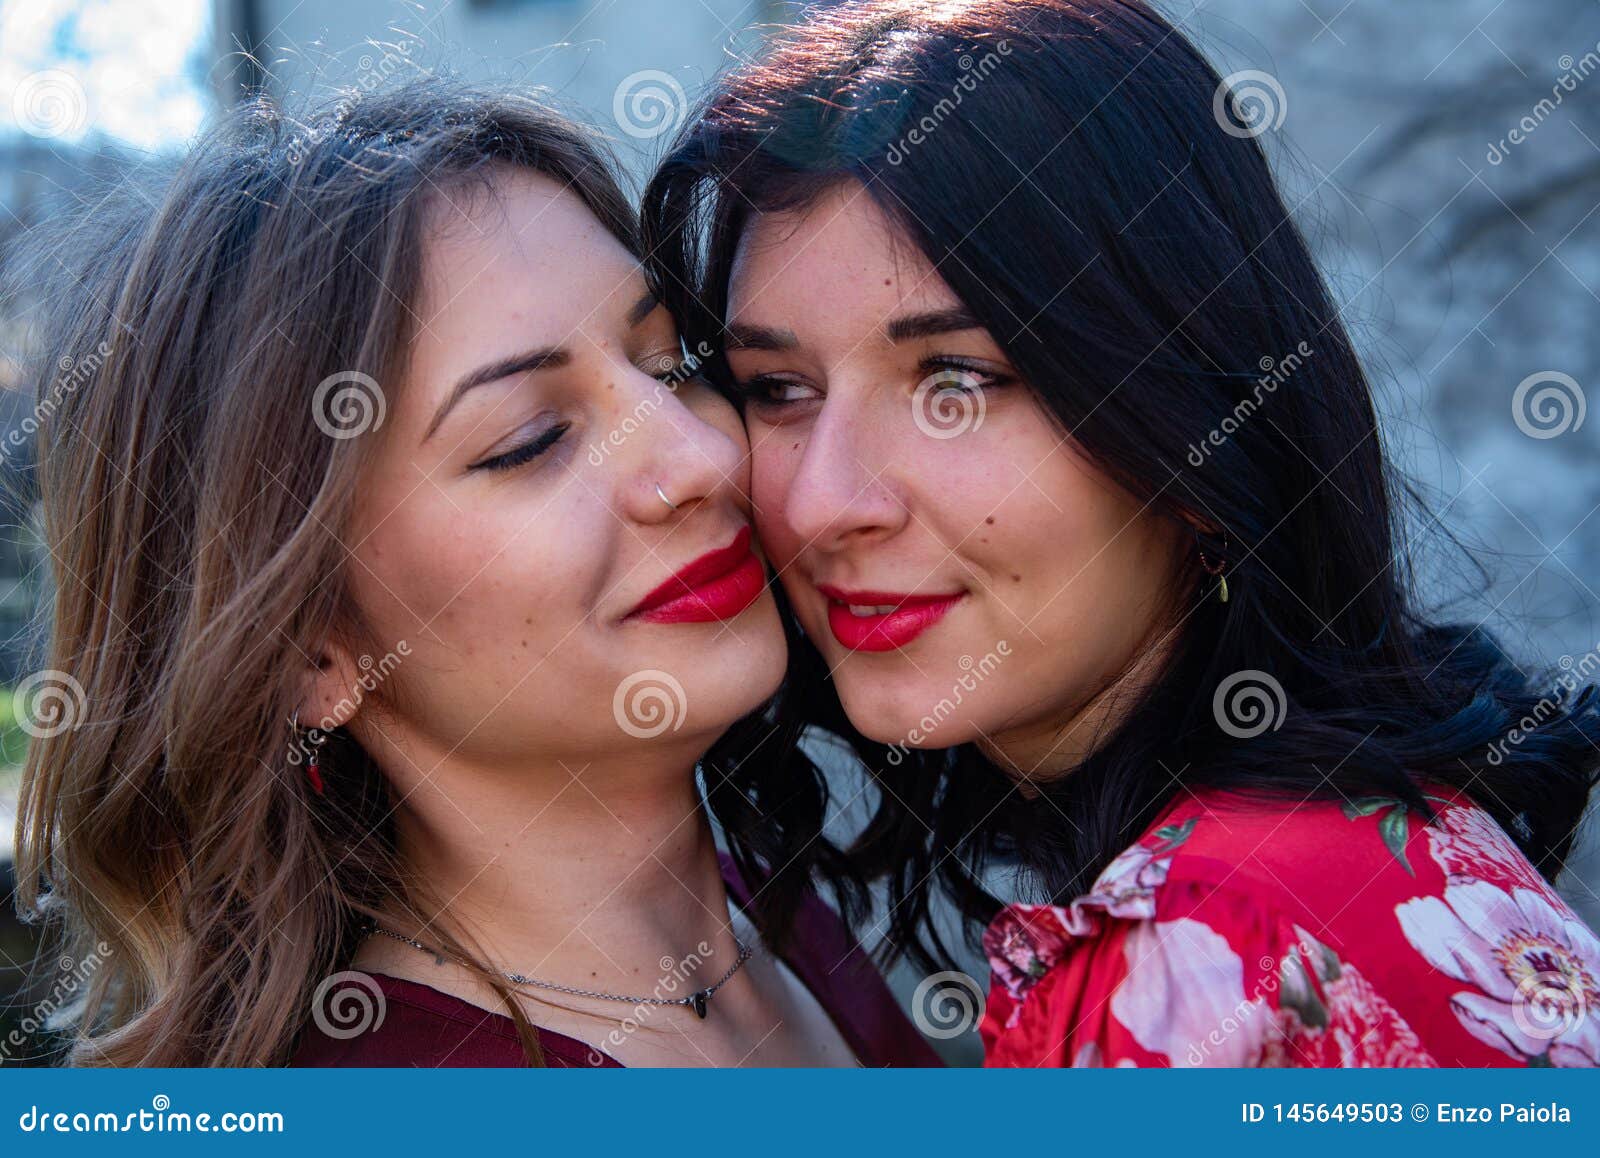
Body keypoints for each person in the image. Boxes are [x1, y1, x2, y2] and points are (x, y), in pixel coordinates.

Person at [642, 0, 1600, 1066]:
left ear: (1192, 419)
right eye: (776, 388)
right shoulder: (1354, 851)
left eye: (957, 382)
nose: (822, 504)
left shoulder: (1209, 962)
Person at [11, 78, 936, 1068]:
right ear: (308, 652)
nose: (702, 459)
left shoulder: (784, 921)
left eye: (670, 367)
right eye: (530, 441)